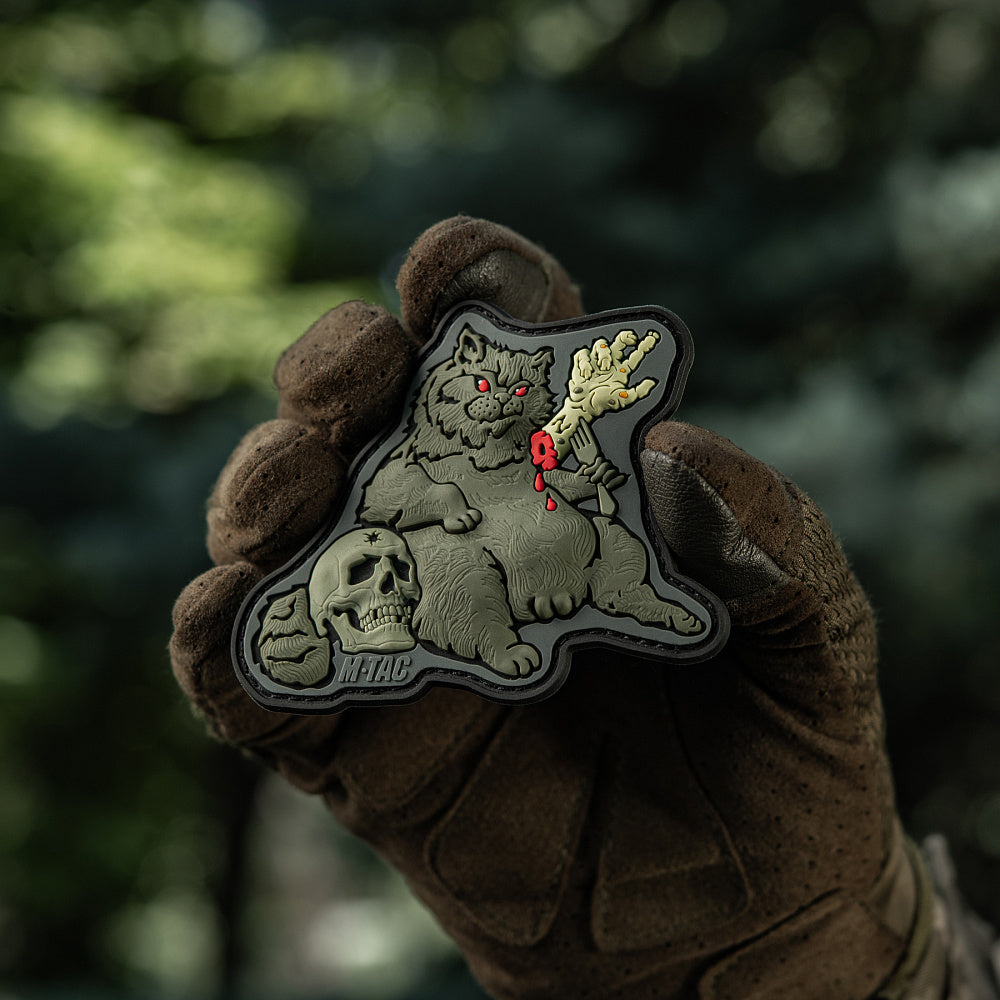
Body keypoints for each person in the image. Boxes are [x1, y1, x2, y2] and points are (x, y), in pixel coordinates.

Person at [170, 216, 1000, 1000]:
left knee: (616, 553)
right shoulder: (414, 477)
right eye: (476, 387)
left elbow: (564, 468)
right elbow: (418, 493)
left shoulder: (538, 439)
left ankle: (624, 599)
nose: (490, 399)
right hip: (477, 593)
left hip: (576, 565)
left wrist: (830, 964)